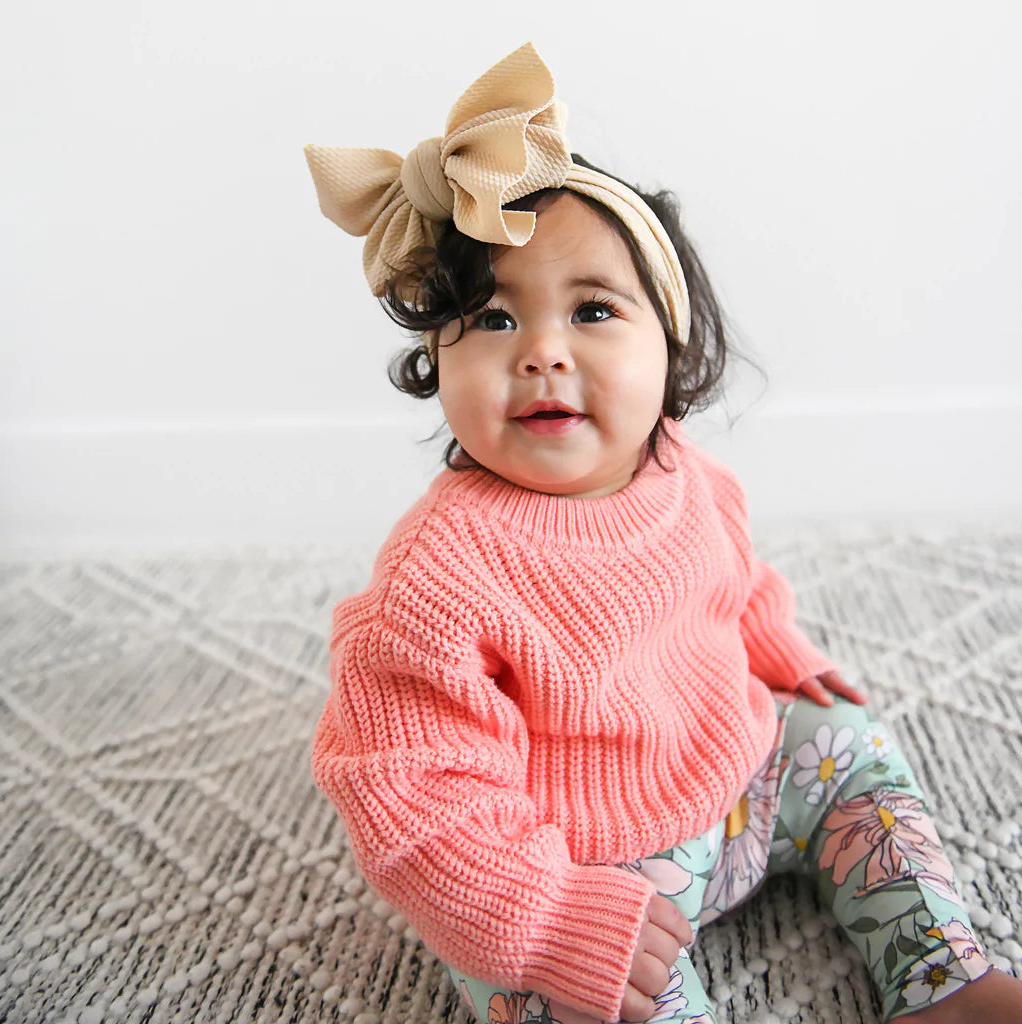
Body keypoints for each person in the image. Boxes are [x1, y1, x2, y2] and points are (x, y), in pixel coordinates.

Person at [304, 43, 1022, 1024]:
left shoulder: (686, 472)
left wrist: (775, 646)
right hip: (573, 873)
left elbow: (732, 581)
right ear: (437, 357)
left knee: (849, 745)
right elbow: (413, 791)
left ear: (671, 349)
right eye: (493, 320)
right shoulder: (434, 580)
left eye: (593, 310)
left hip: (734, 788)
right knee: (545, 986)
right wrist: (542, 916)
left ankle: (942, 976)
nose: (543, 352)